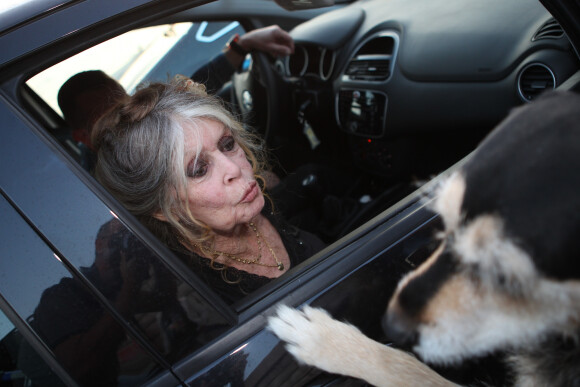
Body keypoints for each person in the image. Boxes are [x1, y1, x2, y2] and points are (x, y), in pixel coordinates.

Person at [91, 76, 324, 303]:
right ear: (162, 208)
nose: (234, 168)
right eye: (199, 169)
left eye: (228, 144)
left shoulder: (253, 206)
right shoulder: (204, 300)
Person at [57, 25, 294, 154]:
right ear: (84, 138)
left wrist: (243, 45)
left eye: (126, 99)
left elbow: (194, 89)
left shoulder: (146, 124)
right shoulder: (111, 184)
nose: (128, 112)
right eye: (111, 113)